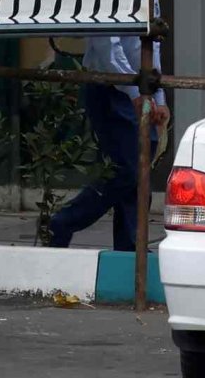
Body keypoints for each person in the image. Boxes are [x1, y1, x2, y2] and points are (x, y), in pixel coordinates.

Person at [45, 22, 148, 253]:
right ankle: (64, 221)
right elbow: (107, 47)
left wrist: (155, 95)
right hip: (110, 85)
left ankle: (129, 246)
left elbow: (147, 47)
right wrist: (135, 92)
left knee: (138, 171)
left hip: (135, 85)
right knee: (125, 170)